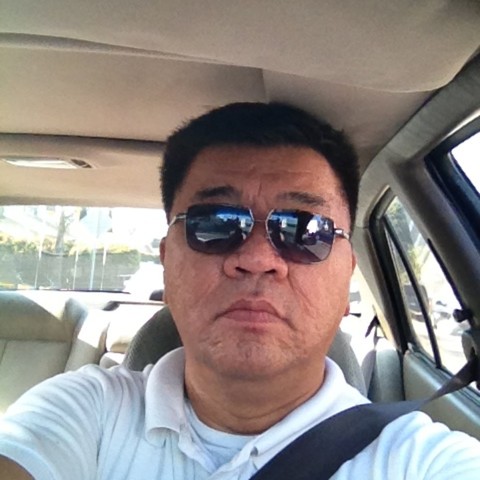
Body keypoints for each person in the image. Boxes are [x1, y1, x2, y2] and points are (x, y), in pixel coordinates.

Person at [1, 102, 479, 479]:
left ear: (347, 271)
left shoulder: (418, 458)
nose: (257, 258)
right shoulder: (85, 410)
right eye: (215, 224)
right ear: (167, 261)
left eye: (304, 230)